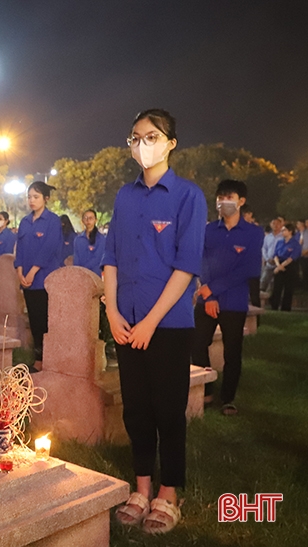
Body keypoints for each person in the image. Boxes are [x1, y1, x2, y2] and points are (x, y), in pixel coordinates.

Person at [104, 109, 206, 534]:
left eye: (151, 136)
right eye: (135, 137)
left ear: (170, 142)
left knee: (168, 409)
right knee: (137, 410)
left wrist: (150, 322)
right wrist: (111, 312)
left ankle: (169, 492)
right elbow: (109, 258)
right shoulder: (125, 197)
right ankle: (141, 485)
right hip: (124, 323)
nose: (141, 144)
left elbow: (185, 269)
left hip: (168, 325)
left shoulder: (188, 196)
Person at [191, 179, 264, 417]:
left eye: (229, 197)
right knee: (197, 344)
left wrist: (213, 290)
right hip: (206, 300)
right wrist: (208, 295)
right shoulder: (208, 230)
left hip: (234, 301)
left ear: (241, 201)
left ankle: (228, 398)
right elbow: (202, 261)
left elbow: (248, 269)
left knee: (232, 351)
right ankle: (207, 389)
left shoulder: (253, 233)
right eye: (220, 197)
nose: (223, 202)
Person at [14, 181, 63, 364]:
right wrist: (20, 271)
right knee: (34, 320)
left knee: (46, 320)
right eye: (29, 197)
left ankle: (50, 360)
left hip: (44, 280)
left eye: (36, 197)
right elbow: (20, 248)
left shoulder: (53, 221)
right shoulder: (25, 222)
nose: (31, 201)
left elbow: (48, 248)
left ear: (46, 199)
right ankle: (38, 359)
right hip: (27, 281)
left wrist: (33, 271)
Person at [270, 222, 301, 311]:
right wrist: (278, 265)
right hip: (279, 263)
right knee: (277, 287)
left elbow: (292, 257)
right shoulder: (280, 242)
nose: (282, 232)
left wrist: (281, 266)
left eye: (284, 230)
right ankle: (274, 306)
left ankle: (286, 308)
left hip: (290, 266)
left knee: (288, 288)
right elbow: (275, 254)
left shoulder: (295, 244)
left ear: (290, 231)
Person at [73, 209, 106, 275]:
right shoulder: (78, 239)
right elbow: (76, 259)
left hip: (94, 275)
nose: (88, 220)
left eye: (91, 218)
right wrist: (78, 271)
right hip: (80, 275)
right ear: (82, 220)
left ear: (95, 220)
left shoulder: (101, 239)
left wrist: (85, 269)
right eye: (86, 218)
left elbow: (98, 258)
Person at [260, 217, 283, 293]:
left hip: (279, 263)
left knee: (276, 283)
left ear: (281, 225)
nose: (275, 225)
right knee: (263, 281)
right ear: (270, 224)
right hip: (269, 263)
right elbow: (264, 248)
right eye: (273, 223)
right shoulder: (267, 237)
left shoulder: (283, 237)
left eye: (277, 224)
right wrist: (267, 259)